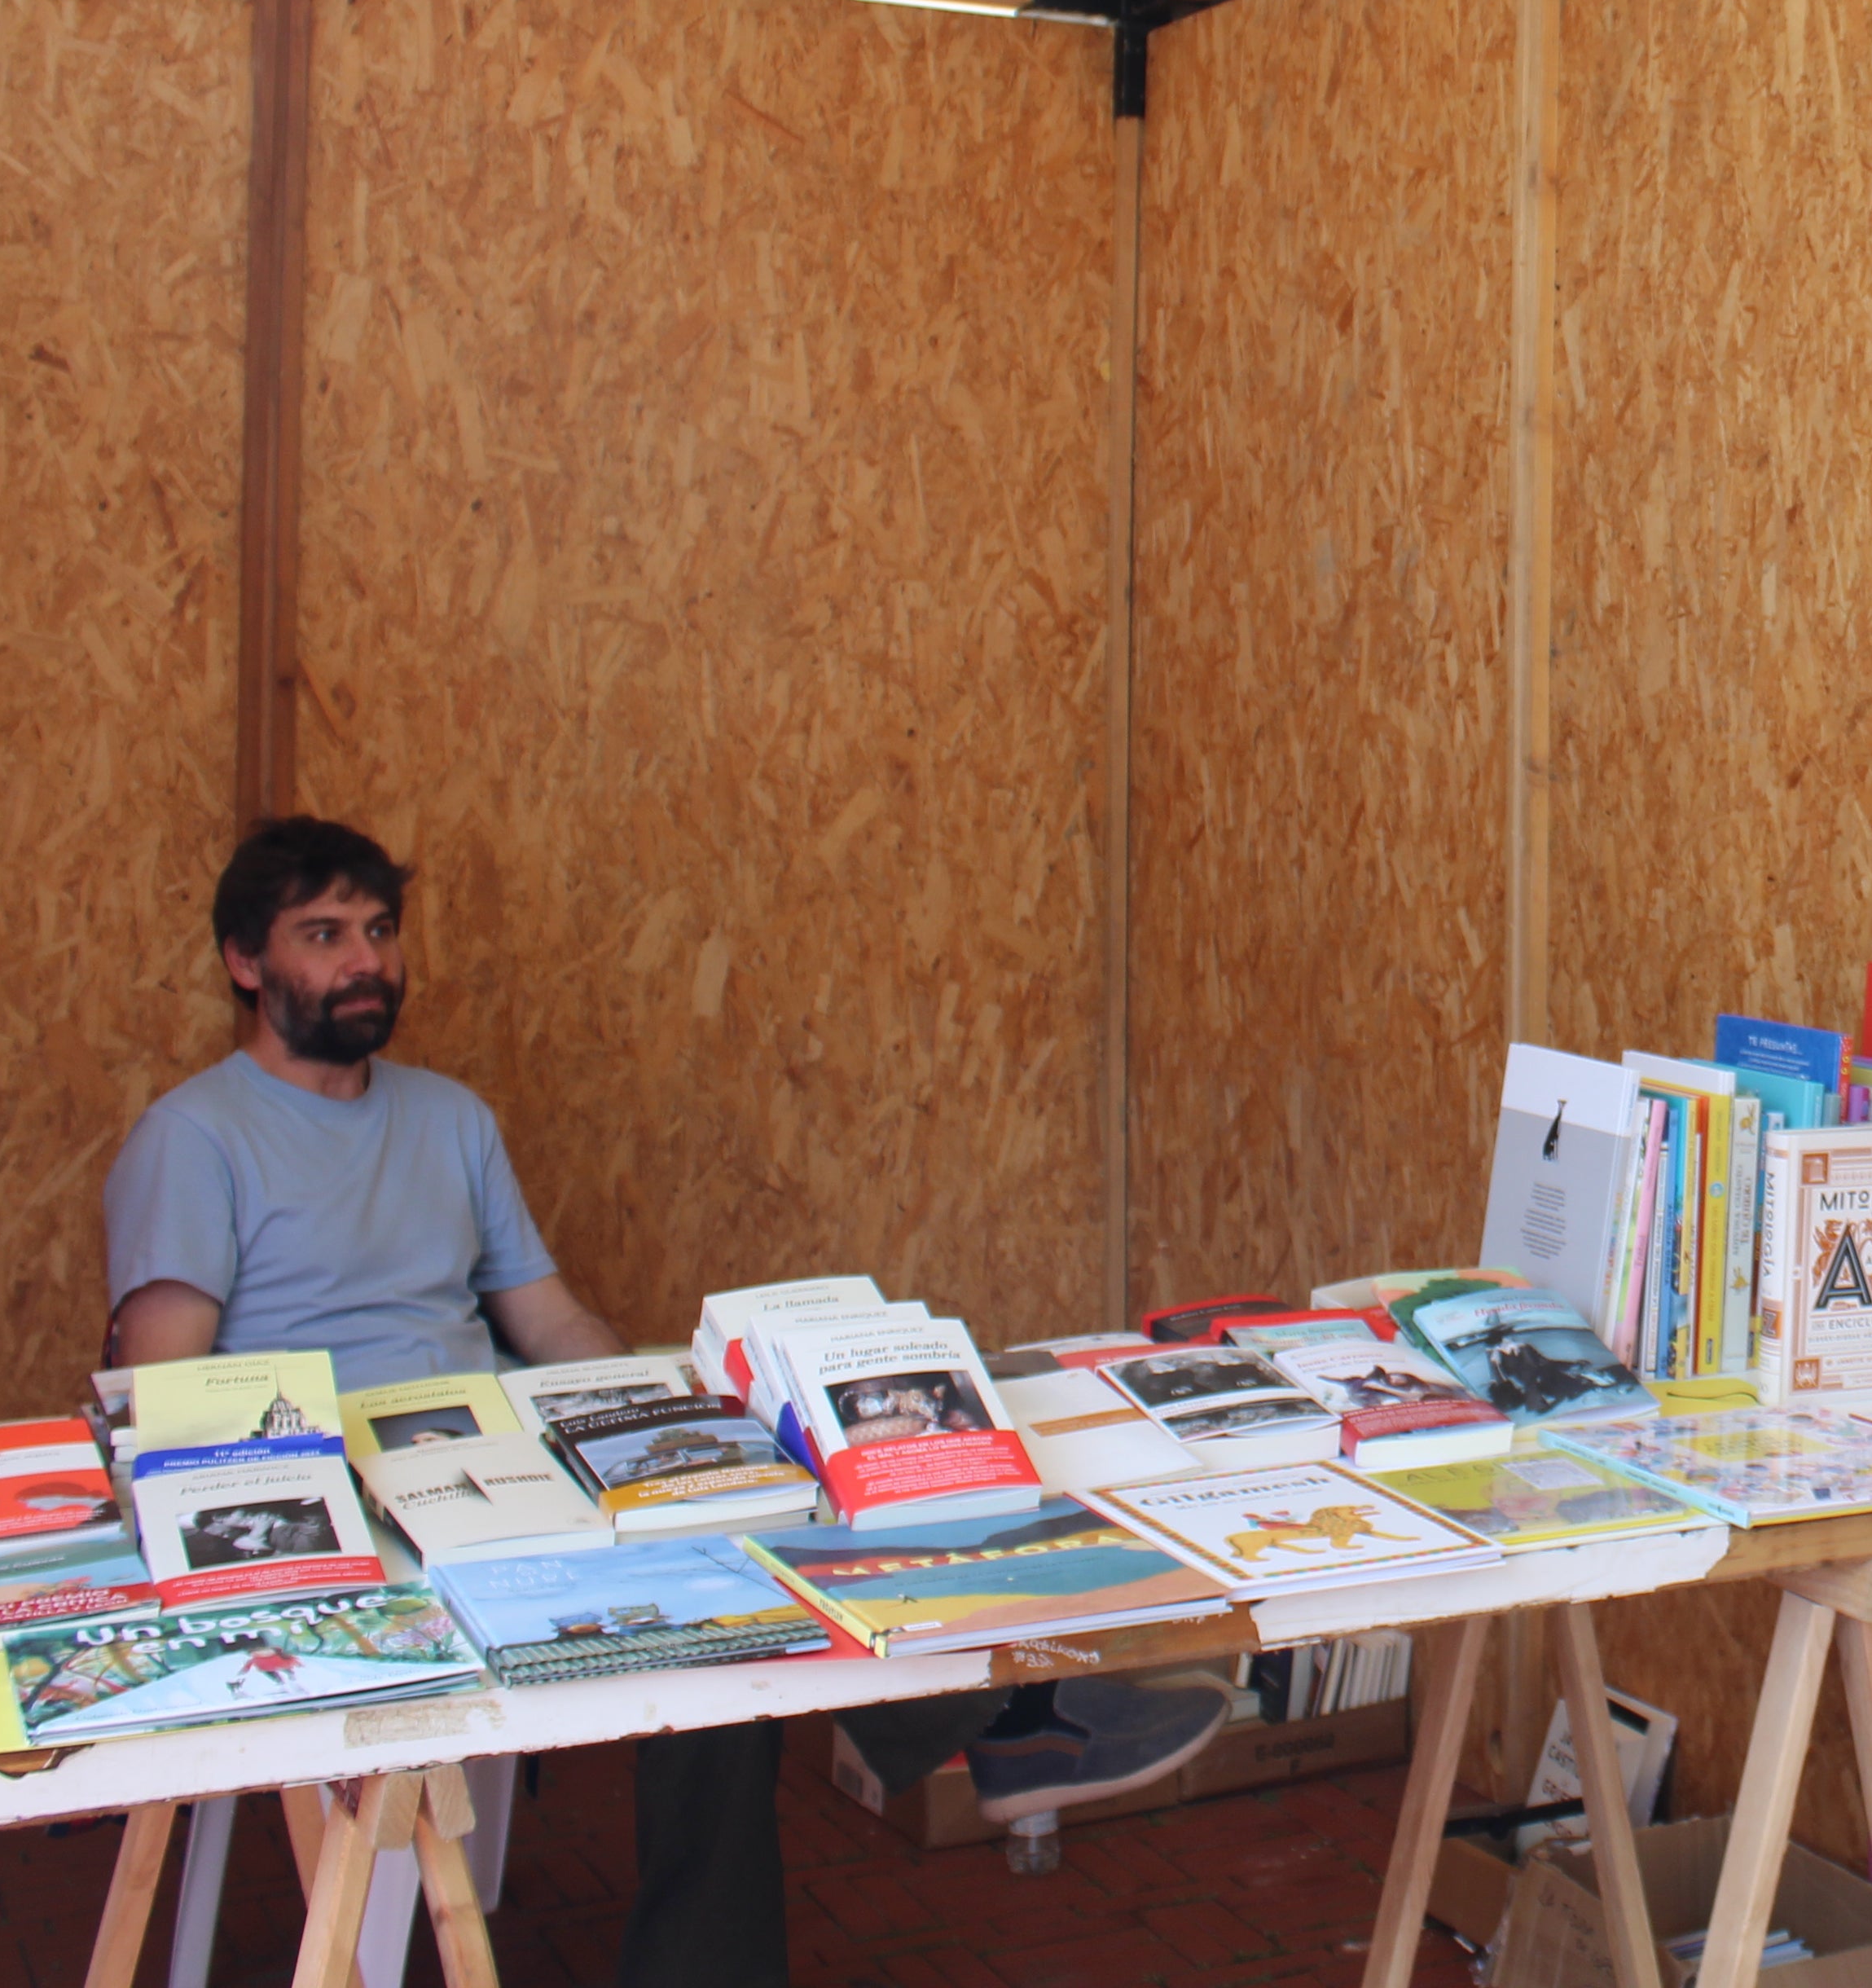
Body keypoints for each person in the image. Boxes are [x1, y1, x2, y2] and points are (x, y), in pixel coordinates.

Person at [104, 821, 1218, 1982]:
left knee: (754, 1562)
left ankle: (991, 1735)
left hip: (504, 1468)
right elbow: (173, 1401)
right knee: (716, 1610)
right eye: (323, 936)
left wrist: (660, 1415)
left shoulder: (449, 1118)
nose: (365, 962)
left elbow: (545, 1318)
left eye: (379, 932)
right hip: (349, 1506)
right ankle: (1004, 1727)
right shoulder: (196, 1138)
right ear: (245, 962)